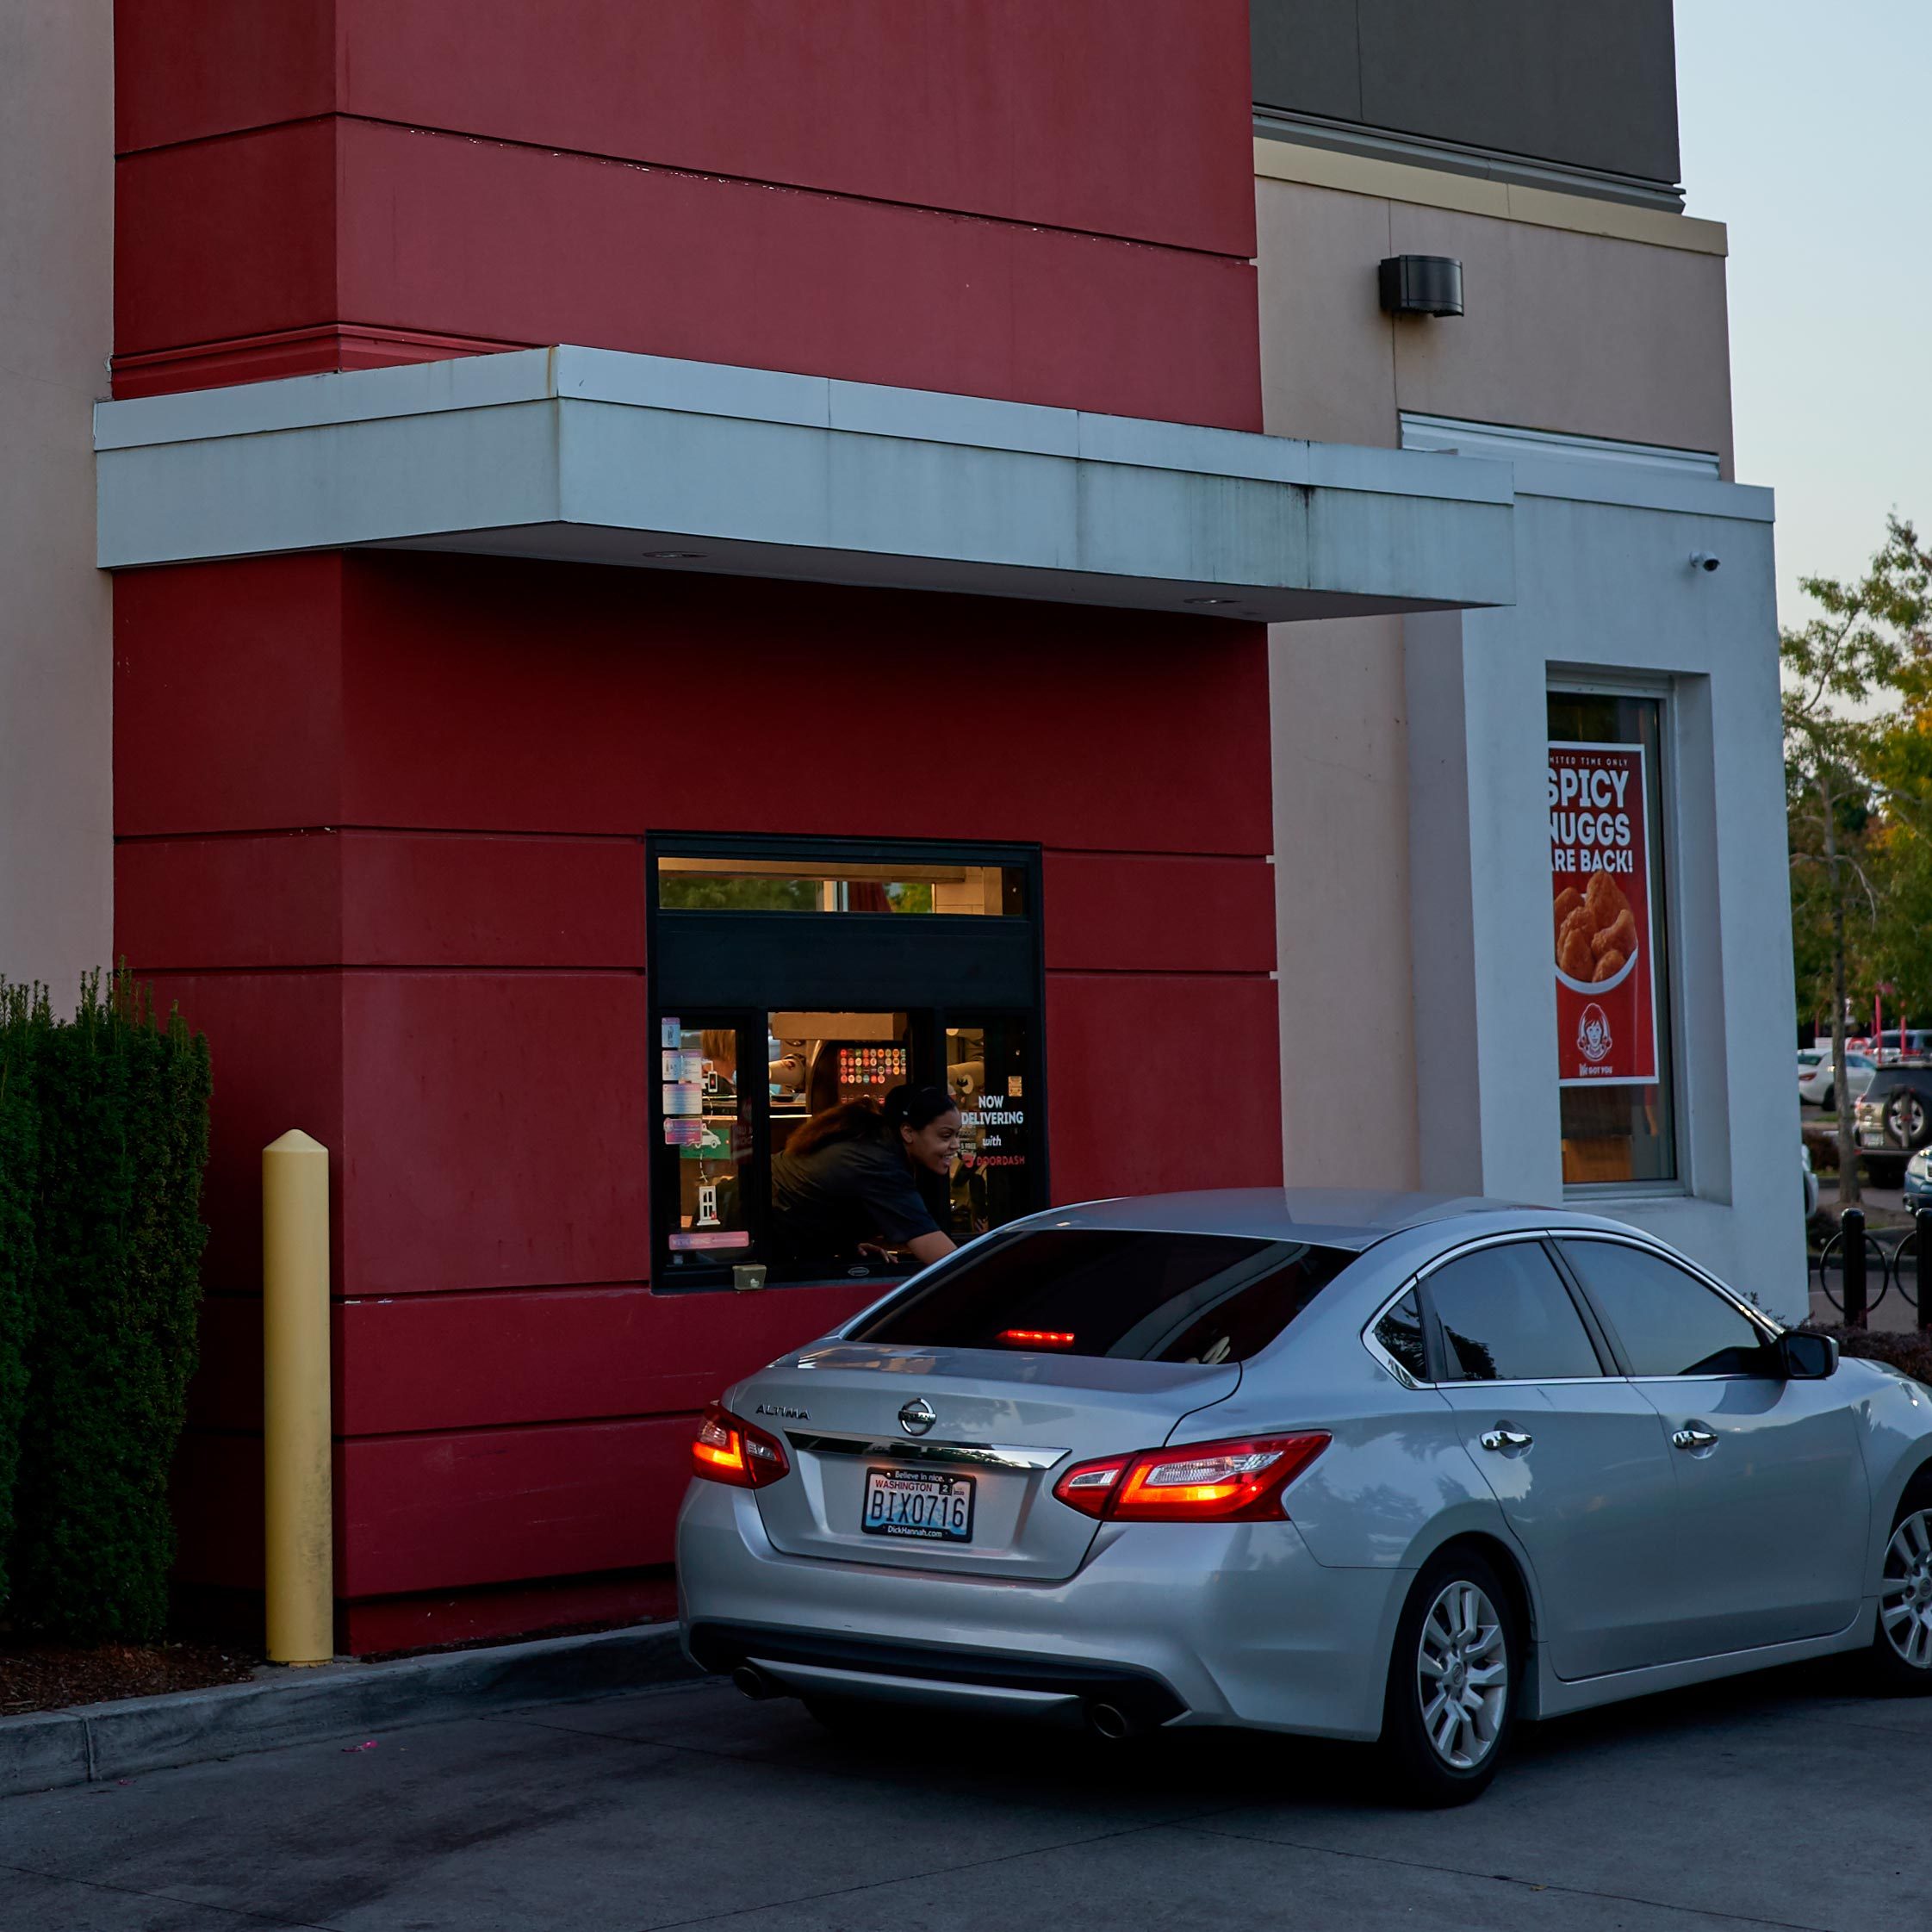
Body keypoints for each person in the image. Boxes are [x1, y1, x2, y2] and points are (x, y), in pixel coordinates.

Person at [769, 1084, 960, 1270]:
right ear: (908, 1132)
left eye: (957, 1135)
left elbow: (824, 1192)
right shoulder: (880, 1161)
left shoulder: (874, 1141)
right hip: (756, 1236)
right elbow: (937, 1253)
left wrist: (845, 1244)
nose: (956, 1145)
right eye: (945, 1136)